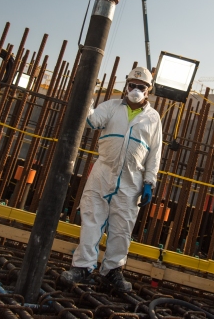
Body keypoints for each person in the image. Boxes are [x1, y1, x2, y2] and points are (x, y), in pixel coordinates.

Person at [61, 67, 163, 291]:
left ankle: (112, 272)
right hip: (103, 171)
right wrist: (88, 92)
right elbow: (91, 121)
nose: (136, 90)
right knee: (91, 218)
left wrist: (149, 181)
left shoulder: (153, 117)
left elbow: (155, 152)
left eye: (141, 87)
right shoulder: (110, 106)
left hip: (132, 179)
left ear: (148, 91)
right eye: (132, 85)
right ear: (126, 86)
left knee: (122, 227)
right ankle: (82, 267)